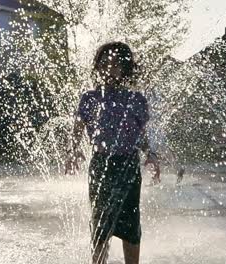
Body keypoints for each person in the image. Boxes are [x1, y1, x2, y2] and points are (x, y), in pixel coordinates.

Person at [65, 42, 159, 264]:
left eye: (116, 64)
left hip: (128, 166)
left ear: (126, 68)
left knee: (130, 222)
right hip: (100, 165)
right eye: (104, 63)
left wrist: (151, 155)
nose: (110, 68)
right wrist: (74, 151)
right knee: (100, 224)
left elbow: (141, 135)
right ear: (97, 67)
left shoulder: (136, 100)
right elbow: (77, 130)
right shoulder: (89, 98)